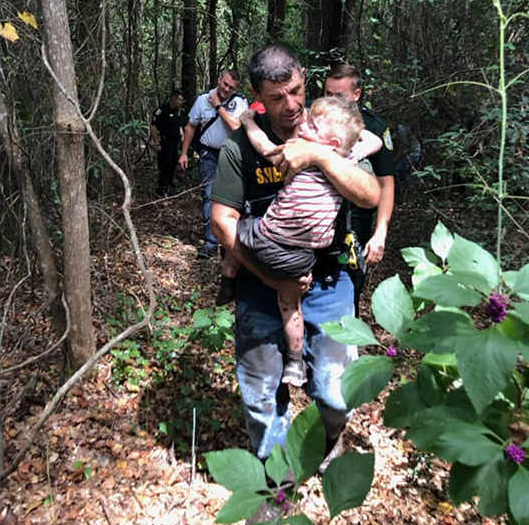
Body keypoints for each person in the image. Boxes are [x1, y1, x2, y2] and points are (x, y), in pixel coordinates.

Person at [209, 44, 380, 521]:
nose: (291, 105)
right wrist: (271, 277)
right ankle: (275, 489)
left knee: (334, 390)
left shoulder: (331, 133)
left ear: (305, 79)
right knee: (263, 395)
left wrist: (319, 158)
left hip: (330, 281)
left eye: (297, 90)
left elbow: (369, 195)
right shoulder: (241, 148)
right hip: (263, 284)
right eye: (277, 96)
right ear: (258, 97)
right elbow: (224, 223)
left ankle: (329, 442)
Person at [220, 97, 379, 386]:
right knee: (291, 306)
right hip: (306, 255)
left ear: (330, 143)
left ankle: (229, 276)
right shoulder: (346, 160)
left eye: (312, 126)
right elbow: (374, 140)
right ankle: (294, 363)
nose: (302, 125)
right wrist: (346, 141)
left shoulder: (300, 155)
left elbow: (263, 147)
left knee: (240, 228)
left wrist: (247, 121)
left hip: (270, 242)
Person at [322, 63, 396, 312]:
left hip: (357, 219)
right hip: (319, 213)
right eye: (328, 94)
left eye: (339, 96)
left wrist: (380, 233)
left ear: (357, 94)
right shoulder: (315, 118)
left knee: (351, 284)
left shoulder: (375, 128)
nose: (333, 102)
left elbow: (386, 183)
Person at [178, 69, 248, 258]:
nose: (226, 89)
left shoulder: (239, 102)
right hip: (208, 155)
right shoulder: (202, 100)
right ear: (219, 80)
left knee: (231, 199)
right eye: (224, 84)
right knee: (209, 196)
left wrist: (218, 107)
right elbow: (191, 126)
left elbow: (236, 126)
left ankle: (229, 244)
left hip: (232, 155)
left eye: (231, 87)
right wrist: (184, 153)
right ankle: (210, 244)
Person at [150, 89, 186, 196]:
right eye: (179, 99)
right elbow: (153, 126)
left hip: (175, 142)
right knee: (164, 166)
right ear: (173, 99)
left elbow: (179, 126)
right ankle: (163, 190)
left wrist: (183, 139)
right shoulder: (161, 110)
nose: (181, 102)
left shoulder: (178, 112)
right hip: (165, 142)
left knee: (172, 165)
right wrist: (156, 142)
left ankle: (169, 188)